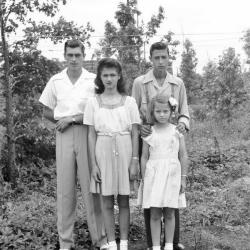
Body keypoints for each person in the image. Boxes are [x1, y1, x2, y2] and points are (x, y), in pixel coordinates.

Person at [39, 39, 108, 250]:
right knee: (65, 190)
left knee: (92, 187)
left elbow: (99, 109)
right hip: (64, 135)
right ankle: (65, 242)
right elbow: (46, 110)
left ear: (84, 56)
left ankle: (101, 239)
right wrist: (62, 121)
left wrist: (73, 118)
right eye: (70, 55)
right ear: (65, 56)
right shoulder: (56, 80)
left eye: (78, 55)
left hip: (87, 133)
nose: (74, 59)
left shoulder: (92, 80)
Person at [132, 41, 190, 250]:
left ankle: (172, 243)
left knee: (170, 191)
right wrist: (141, 126)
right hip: (148, 138)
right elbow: (133, 111)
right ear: (151, 59)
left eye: (163, 57)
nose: (160, 61)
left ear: (168, 57)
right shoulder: (140, 82)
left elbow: (184, 110)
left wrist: (182, 124)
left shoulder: (177, 83)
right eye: (156, 58)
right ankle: (152, 243)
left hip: (171, 137)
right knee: (152, 193)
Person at [84, 58, 141, 250]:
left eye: (112, 75)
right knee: (106, 200)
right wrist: (94, 165)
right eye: (105, 75)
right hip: (103, 149)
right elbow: (91, 135)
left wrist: (134, 160)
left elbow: (135, 132)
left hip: (125, 148)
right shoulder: (93, 102)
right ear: (100, 78)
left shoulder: (130, 102)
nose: (109, 79)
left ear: (119, 76)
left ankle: (123, 242)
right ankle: (110, 242)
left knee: (124, 199)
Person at [140, 93, 189, 250]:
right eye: (158, 111)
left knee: (170, 212)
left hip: (172, 175)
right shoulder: (149, 132)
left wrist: (183, 178)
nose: (162, 115)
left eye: (165, 111)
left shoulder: (177, 131)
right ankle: (155, 246)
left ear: (171, 112)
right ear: (153, 112)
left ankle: (168, 245)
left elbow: (183, 155)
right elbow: (144, 156)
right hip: (153, 176)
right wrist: (144, 178)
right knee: (154, 213)